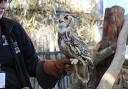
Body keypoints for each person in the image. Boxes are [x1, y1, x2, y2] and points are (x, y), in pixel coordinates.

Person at [0, 0, 73, 89]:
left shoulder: (13, 29)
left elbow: (32, 63)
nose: (3, 6)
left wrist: (54, 68)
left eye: (4, 1)